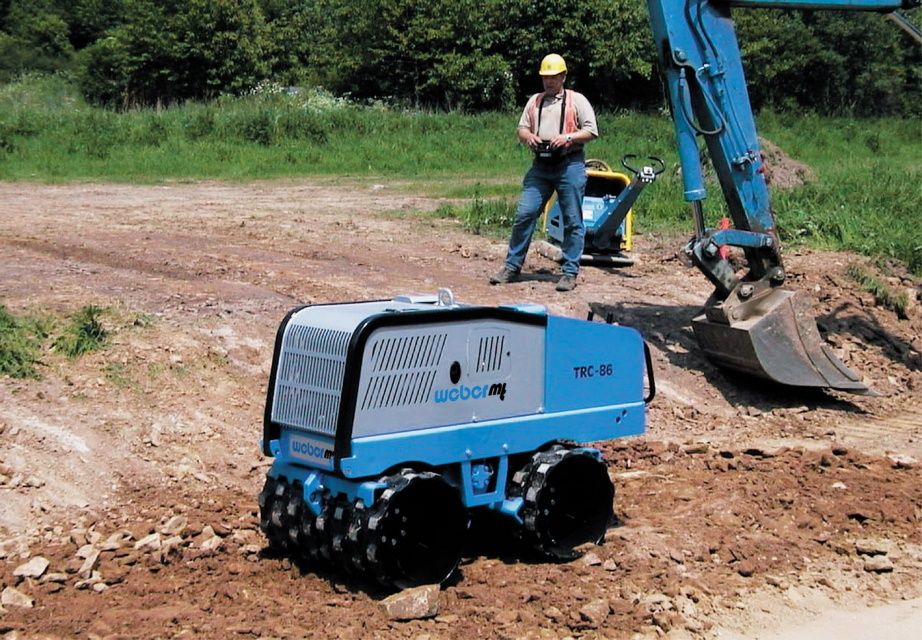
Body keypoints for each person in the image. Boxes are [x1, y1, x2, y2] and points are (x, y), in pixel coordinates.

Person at [490, 53, 599, 292]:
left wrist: (567, 137)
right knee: (525, 213)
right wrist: (528, 137)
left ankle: (570, 271)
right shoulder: (535, 101)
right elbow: (522, 128)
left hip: (569, 164)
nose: (549, 82)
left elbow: (591, 131)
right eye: (545, 77)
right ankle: (512, 266)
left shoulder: (576, 100)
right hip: (541, 165)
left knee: (572, 220)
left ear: (563, 76)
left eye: (553, 77)